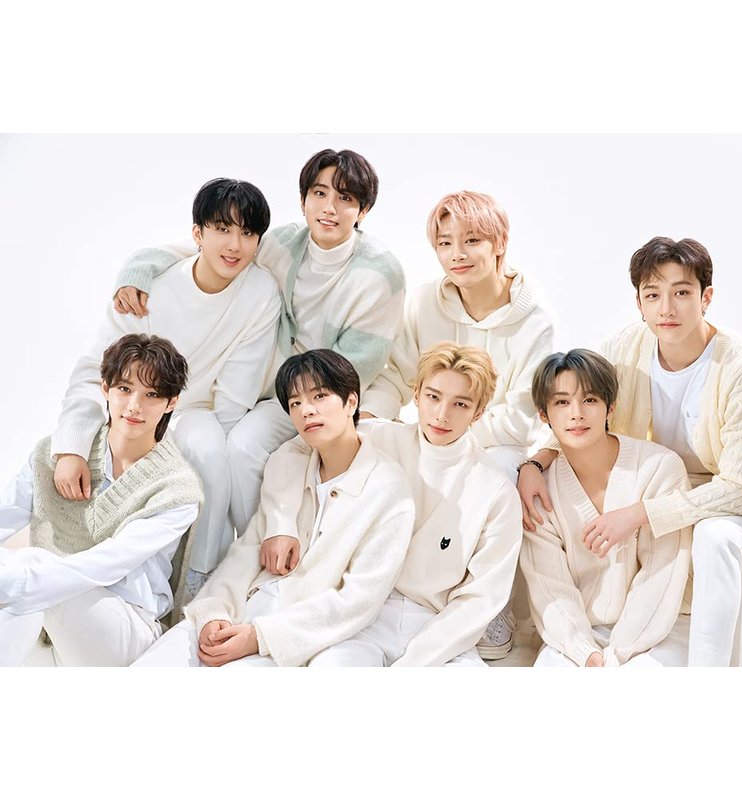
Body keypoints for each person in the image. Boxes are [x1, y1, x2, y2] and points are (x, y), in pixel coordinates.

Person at [518, 237, 742, 666]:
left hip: (732, 492)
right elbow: (582, 405)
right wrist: (537, 461)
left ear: (706, 298)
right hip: (655, 479)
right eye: (652, 295)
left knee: (714, 537)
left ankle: (707, 674)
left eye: (681, 292)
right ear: (639, 304)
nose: (667, 308)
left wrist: (642, 512)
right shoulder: (626, 349)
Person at [112, 149, 406, 546]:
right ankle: (242, 550)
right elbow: (210, 246)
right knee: (221, 447)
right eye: (319, 193)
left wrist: (298, 400)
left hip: (319, 394)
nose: (330, 208)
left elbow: (356, 368)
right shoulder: (282, 243)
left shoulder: (380, 274)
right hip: (263, 391)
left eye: (345, 198)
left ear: (363, 211)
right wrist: (137, 268)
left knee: (245, 446)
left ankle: (261, 546)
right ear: (303, 201)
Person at [52, 178, 280, 590]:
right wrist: (72, 446)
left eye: (248, 233)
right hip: (137, 410)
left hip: (200, 413)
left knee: (210, 449)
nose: (234, 245)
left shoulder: (262, 292)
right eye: (222, 229)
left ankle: (200, 578)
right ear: (198, 234)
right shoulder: (146, 290)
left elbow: (234, 395)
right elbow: (93, 372)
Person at [360, 190, 553, 658]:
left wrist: (449, 436)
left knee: (498, 472)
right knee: (369, 447)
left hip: (494, 441)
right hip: (435, 428)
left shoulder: (534, 322)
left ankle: (488, 603)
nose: (456, 255)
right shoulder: (426, 301)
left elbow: (520, 416)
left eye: (471, 241)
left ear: (499, 243)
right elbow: (398, 373)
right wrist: (368, 417)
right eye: (444, 243)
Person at [132, 350, 415, 667]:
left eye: (320, 396)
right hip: (240, 612)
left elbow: (358, 600)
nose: (306, 411)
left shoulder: (389, 491)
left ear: (351, 402)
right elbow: (247, 550)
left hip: (289, 638)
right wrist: (214, 611)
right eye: (295, 403)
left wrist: (261, 638)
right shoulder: (290, 468)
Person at [266, 343, 523, 667]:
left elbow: (479, 600)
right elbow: (294, 451)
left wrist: (413, 664)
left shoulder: (495, 491)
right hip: (360, 614)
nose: (442, 414)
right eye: (433, 397)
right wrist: (281, 524)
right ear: (416, 395)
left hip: (436, 626)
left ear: (479, 412)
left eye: (460, 404)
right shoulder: (374, 438)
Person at [0, 334, 203, 667]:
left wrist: (15, 582)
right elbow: (5, 514)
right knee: (18, 567)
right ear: (105, 389)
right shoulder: (55, 454)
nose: (134, 406)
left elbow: (108, 563)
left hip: (126, 629)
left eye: (152, 394)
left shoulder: (176, 489)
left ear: (171, 402)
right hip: (50, 612)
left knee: (29, 565)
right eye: (124, 389)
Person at [520, 349, 692, 667]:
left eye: (590, 400)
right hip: (577, 636)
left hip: (656, 632)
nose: (577, 414)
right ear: (543, 414)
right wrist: (586, 652)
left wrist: (617, 655)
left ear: (610, 407)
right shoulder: (538, 489)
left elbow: (661, 574)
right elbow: (550, 586)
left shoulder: (659, 468)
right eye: (562, 402)